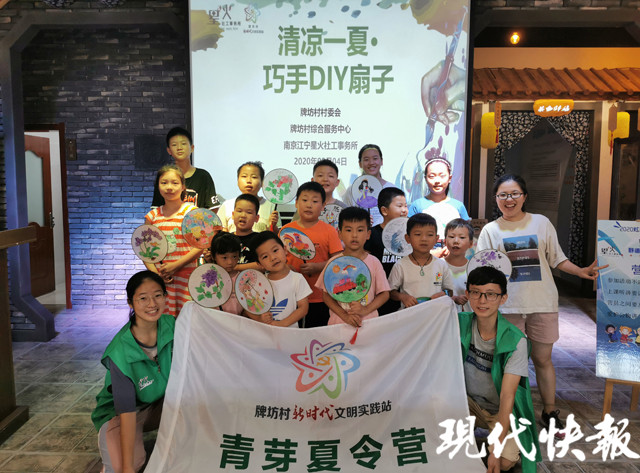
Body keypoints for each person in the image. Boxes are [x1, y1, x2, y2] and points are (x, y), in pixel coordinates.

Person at [477, 174, 606, 437]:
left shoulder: (541, 223)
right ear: (496, 199)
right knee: (507, 361)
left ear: (524, 196)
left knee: (542, 359)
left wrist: (580, 271)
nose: (509, 199)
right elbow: (484, 266)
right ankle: (507, 412)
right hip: (508, 305)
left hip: (542, 303)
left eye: (514, 194)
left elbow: (557, 259)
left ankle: (549, 411)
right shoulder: (490, 230)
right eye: (503, 195)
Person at [459, 266, 541, 473]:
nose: (482, 301)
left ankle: (499, 440)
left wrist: (495, 451)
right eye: (476, 293)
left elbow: (507, 396)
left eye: (491, 294)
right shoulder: (459, 324)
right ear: (467, 294)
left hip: (499, 410)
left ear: (503, 298)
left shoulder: (515, 341)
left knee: (504, 462)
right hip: (466, 403)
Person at [92, 271, 175, 473]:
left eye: (157, 295)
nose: (152, 304)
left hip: (159, 404)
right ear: (131, 303)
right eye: (143, 298)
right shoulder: (120, 352)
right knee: (124, 466)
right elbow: (126, 413)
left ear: (165, 297)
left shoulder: (172, 325)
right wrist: (128, 469)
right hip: (123, 414)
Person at [281, 181, 343, 327]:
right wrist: (287, 268)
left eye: (315, 201)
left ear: (323, 206)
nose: (309, 205)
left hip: (320, 296)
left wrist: (318, 267)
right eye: (304, 200)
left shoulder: (329, 231)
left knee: (317, 334)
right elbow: (279, 259)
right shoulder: (286, 231)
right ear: (296, 203)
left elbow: (338, 260)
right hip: (291, 295)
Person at [317, 206, 390, 327]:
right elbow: (326, 295)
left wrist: (365, 310)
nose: (354, 235)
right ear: (339, 234)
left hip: (368, 325)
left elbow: (384, 294)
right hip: (339, 325)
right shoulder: (333, 263)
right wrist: (344, 315)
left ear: (368, 234)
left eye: (360, 230)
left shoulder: (374, 262)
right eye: (349, 230)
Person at [144, 165, 202, 317]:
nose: (169, 187)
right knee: (164, 320)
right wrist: (157, 275)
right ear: (158, 186)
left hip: (187, 279)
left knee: (187, 320)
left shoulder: (192, 212)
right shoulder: (152, 216)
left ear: (183, 187)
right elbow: (145, 251)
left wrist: (176, 266)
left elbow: (201, 245)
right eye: (164, 183)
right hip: (162, 281)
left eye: (175, 183)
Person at [388, 213, 454, 309]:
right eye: (418, 234)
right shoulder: (401, 265)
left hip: (435, 314)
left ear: (436, 239)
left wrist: (443, 293)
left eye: (430, 235)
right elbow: (390, 292)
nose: (424, 239)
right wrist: (402, 297)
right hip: (410, 314)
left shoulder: (441, 265)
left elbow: (450, 291)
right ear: (408, 238)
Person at [247, 231, 312, 327]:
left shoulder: (297, 279)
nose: (273, 258)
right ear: (260, 264)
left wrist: (282, 324)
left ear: (285, 250)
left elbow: (303, 308)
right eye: (265, 256)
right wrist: (259, 318)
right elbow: (249, 307)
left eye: (275, 250)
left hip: (289, 332)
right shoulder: (259, 282)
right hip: (267, 333)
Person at [408, 157, 470, 257]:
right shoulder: (416, 205)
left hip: (454, 252)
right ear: (425, 178)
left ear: (450, 178)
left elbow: (466, 234)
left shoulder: (459, 206)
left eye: (442, 176)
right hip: (424, 253)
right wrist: (429, 253)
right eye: (432, 176)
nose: (437, 180)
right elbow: (410, 236)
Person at [364, 186, 408, 315]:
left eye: (406, 206)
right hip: (380, 295)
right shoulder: (372, 234)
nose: (404, 210)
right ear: (384, 210)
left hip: (405, 294)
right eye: (399, 206)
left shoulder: (409, 235)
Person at [151, 127, 218, 209]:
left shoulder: (203, 176)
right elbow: (156, 210)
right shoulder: (164, 177)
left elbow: (213, 209)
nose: (179, 148)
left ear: (192, 148)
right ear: (169, 151)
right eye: (174, 145)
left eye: (183, 144)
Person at [217, 161, 281, 233]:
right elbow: (221, 232)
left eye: (254, 177)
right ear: (238, 181)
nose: (248, 181)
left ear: (262, 183)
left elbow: (278, 235)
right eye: (244, 176)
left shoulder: (271, 206)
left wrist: (273, 226)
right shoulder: (227, 205)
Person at [343, 144, 396, 227]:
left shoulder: (392, 189)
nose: (371, 163)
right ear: (360, 164)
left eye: (375, 158)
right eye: (366, 159)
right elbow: (345, 218)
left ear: (381, 161)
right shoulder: (351, 190)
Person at [444, 218, 475, 312]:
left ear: (470, 244)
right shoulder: (438, 266)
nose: (456, 241)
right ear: (445, 241)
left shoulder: (474, 268)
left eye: (462, 237)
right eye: (451, 237)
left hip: (468, 317)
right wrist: (453, 299)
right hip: (443, 317)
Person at [210, 231, 243, 316]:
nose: (230, 262)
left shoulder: (242, 279)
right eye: (224, 257)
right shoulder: (209, 279)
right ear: (213, 256)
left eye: (234, 256)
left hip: (237, 320)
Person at [230, 193, 262, 272]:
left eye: (249, 212)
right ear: (233, 215)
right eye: (239, 211)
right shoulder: (226, 239)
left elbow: (263, 265)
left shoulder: (260, 240)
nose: (243, 215)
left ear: (256, 218)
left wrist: (235, 268)